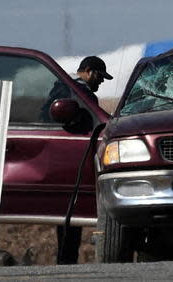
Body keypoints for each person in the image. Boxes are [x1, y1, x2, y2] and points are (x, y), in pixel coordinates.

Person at [41, 56, 113, 264]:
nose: (100, 82)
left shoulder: (66, 87)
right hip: (71, 160)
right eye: (99, 77)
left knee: (70, 220)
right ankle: (66, 263)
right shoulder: (73, 90)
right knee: (69, 217)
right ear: (88, 71)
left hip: (68, 159)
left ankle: (66, 262)